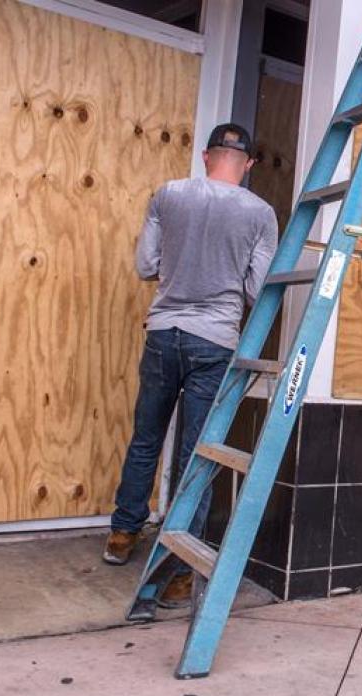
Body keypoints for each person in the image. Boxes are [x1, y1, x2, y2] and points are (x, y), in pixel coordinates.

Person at [102, 123, 278, 609]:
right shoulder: (259, 213)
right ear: (248, 165)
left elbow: (144, 265)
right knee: (196, 455)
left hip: (163, 332)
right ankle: (180, 570)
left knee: (146, 436)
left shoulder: (168, 196)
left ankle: (122, 535)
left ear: (206, 155)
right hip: (215, 340)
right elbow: (256, 289)